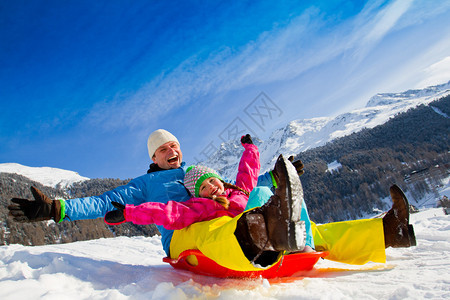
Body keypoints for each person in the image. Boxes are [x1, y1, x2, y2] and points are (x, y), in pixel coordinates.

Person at [8, 129, 416, 269]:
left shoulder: (197, 175)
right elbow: (101, 203)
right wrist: (57, 209)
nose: (172, 150)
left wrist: (272, 178)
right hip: (183, 237)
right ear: (152, 156)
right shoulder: (142, 185)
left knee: (259, 205)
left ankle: (386, 231)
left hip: (223, 219)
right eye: (164, 148)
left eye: (175, 145)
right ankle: (261, 235)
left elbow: (237, 187)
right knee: (222, 229)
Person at [103, 134, 310, 269]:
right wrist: (129, 212)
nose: (211, 187)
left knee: (264, 192)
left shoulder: (238, 191)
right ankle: (268, 238)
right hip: (240, 235)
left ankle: (304, 242)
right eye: (203, 187)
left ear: (221, 181)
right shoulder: (202, 206)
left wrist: (250, 148)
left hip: (265, 225)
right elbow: (167, 212)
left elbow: (248, 171)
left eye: (212, 181)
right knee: (252, 202)